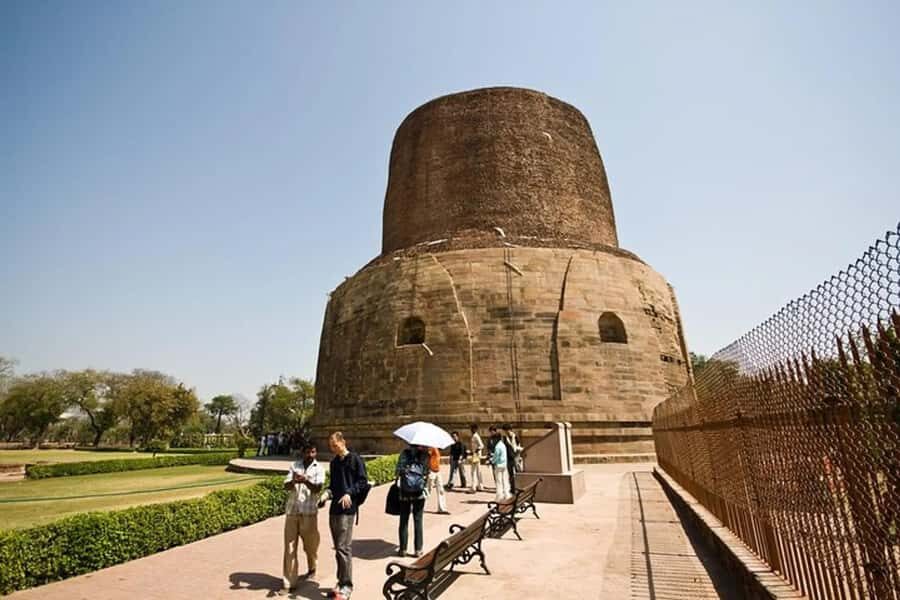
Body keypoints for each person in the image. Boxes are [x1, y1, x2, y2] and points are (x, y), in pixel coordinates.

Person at [326, 432, 368, 599]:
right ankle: (341, 580)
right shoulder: (334, 463)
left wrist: (350, 493)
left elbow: (363, 481)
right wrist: (326, 494)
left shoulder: (355, 459)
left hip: (347, 510)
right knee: (338, 548)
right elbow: (334, 486)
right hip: (335, 509)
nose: (333, 449)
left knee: (344, 548)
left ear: (343, 442)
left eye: (335, 445)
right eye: (331, 447)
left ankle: (347, 585)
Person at [282, 442, 325, 591]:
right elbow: (286, 485)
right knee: (289, 548)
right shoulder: (295, 466)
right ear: (303, 452)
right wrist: (293, 480)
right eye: (308, 452)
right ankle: (289, 583)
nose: (310, 455)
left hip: (309, 513)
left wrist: (306, 480)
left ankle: (312, 567)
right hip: (292, 511)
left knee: (310, 547)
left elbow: (318, 488)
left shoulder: (319, 468)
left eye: (313, 452)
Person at [394, 444, 429, 557]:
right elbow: (427, 472)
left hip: (405, 492)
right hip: (419, 493)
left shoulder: (404, 453)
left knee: (404, 520)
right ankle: (418, 549)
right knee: (418, 520)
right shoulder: (424, 455)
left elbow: (398, 471)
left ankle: (403, 549)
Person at [489, 427, 511, 502]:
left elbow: (496, 457)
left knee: (499, 481)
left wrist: (491, 461)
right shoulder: (503, 445)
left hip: (498, 466)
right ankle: (507, 494)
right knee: (505, 480)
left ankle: (499, 496)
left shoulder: (497, 447)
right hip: (504, 465)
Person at [426, 447, 449, 514]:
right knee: (428, 490)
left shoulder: (437, 449)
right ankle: (420, 506)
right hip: (431, 471)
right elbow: (427, 457)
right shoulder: (431, 448)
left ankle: (442, 508)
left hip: (437, 471)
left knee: (441, 490)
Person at [501, 423, 522, 493]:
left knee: (518, 472)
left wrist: (518, 455)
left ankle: (519, 487)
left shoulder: (515, 437)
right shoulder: (504, 438)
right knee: (511, 474)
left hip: (516, 457)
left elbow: (518, 445)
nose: (506, 432)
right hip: (509, 458)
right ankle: (513, 488)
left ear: (509, 430)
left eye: (506, 431)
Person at [467, 424, 485, 493]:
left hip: (476, 455)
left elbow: (481, 445)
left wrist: (476, 451)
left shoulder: (476, 436)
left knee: (473, 471)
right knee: (478, 470)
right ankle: (480, 485)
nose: (471, 430)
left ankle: (473, 487)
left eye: (472, 428)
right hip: (475, 454)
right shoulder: (474, 436)